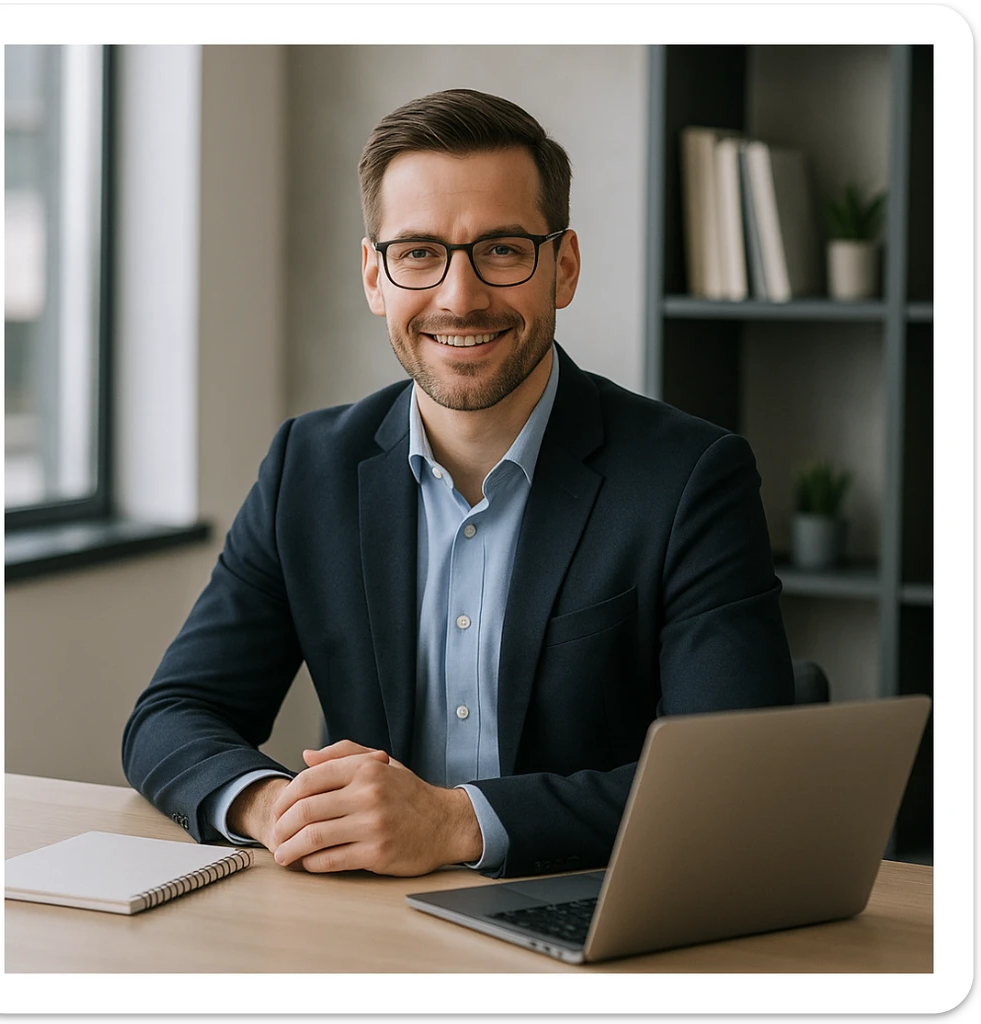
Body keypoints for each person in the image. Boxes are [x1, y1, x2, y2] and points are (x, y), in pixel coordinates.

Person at [122, 88, 794, 881]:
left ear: (563, 267)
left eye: (502, 250)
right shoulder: (308, 467)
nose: (459, 296)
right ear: (375, 277)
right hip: (370, 921)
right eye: (418, 253)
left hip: (594, 911)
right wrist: (281, 807)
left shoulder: (690, 478)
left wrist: (453, 823)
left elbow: (732, 786)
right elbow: (171, 716)